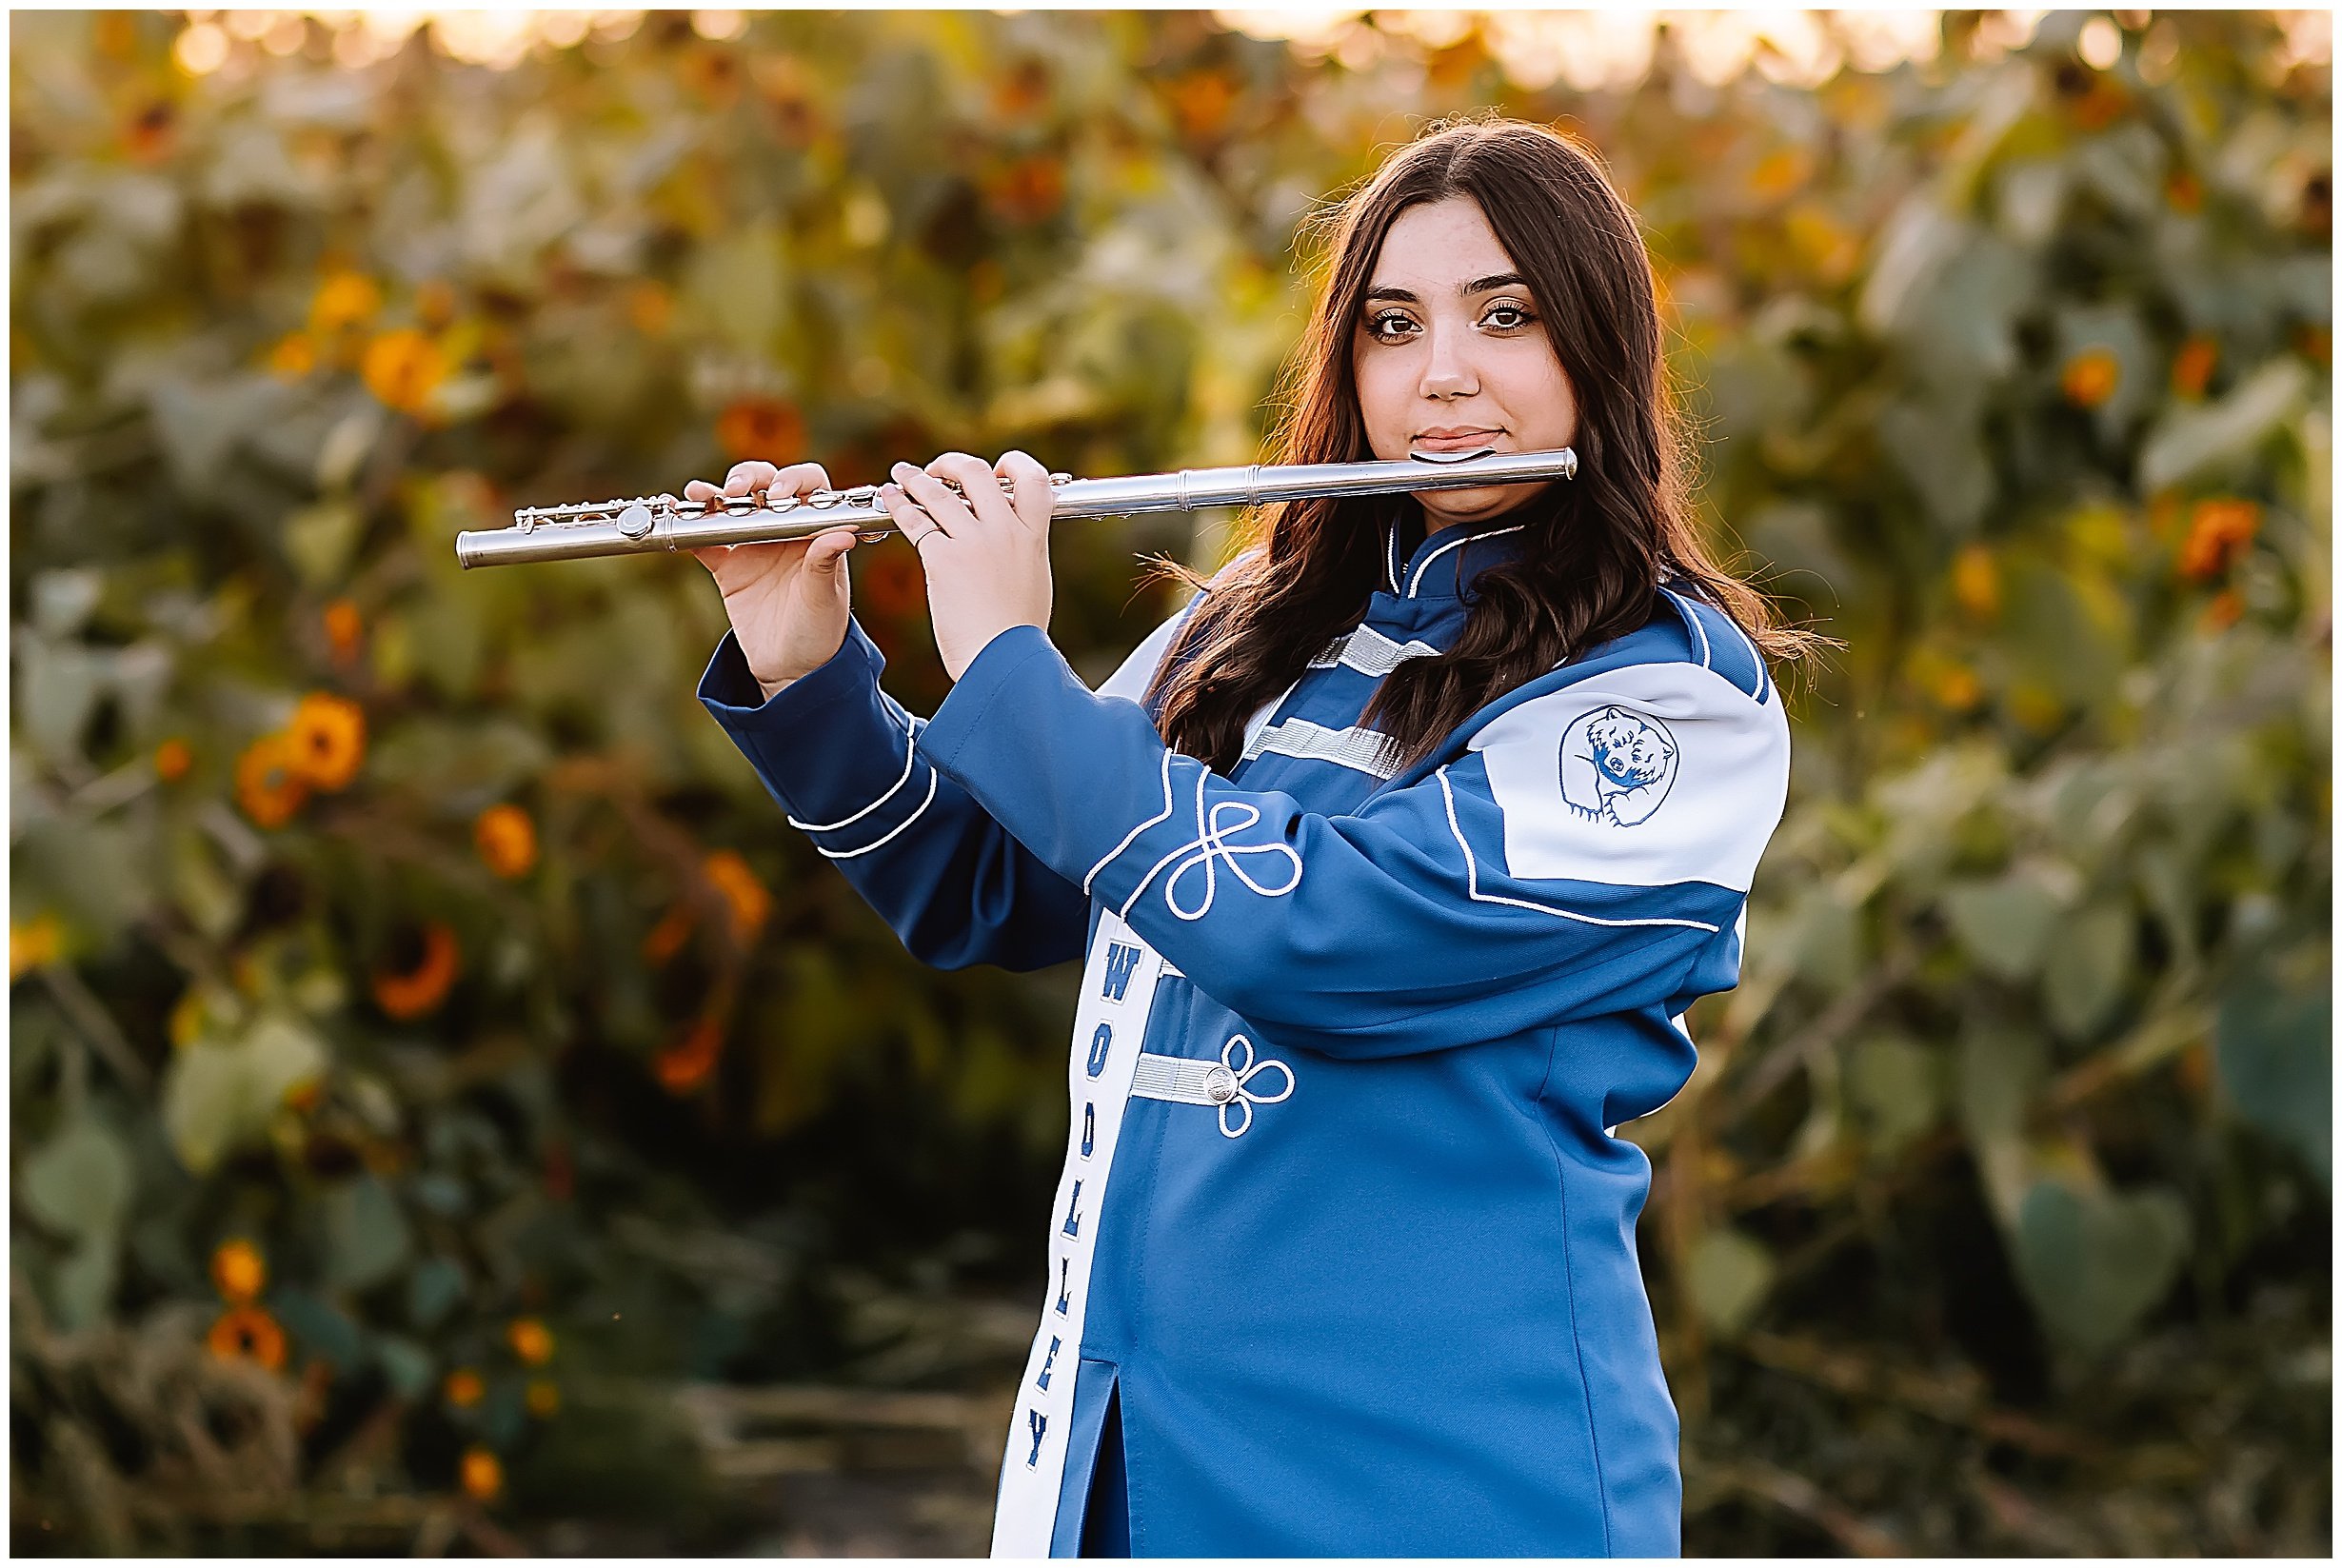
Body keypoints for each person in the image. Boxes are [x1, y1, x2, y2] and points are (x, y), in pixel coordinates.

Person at [687, 117, 1811, 1558]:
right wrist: (808, 667)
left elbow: (1316, 938)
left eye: (1506, 316)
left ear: (1601, 349)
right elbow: (984, 886)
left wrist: (1007, 656)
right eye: (1392, 327)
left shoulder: (1665, 698)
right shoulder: (1248, 625)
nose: (1443, 376)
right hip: (1133, 1466)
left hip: (1442, 1492)